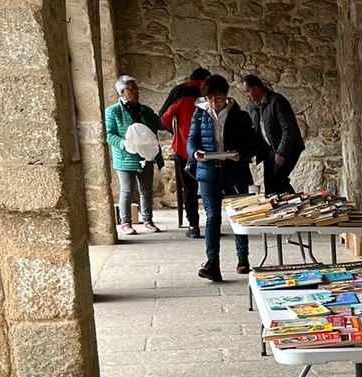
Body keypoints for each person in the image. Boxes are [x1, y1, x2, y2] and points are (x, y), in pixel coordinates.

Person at [188, 74, 265, 281]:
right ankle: (213, 263)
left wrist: (241, 154)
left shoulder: (239, 115)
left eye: (219, 98)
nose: (215, 103)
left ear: (226, 96)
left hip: (235, 170)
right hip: (208, 171)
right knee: (212, 217)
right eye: (211, 99)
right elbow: (191, 140)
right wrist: (195, 153)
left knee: (239, 215)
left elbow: (252, 143)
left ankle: (243, 259)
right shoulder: (200, 114)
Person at [104, 75, 164, 236]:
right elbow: (109, 134)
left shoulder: (145, 110)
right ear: (122, 92)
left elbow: (159, 123)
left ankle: (148, 220)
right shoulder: (113, 111)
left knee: (146, 190)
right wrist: (124, 144)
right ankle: (126, 222)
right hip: (125, 157)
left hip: (145, 155)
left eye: (137, 88)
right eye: (132, 89)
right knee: (127, 190)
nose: (137, 91)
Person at [159, 67, 209, 237]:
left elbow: (164, 117)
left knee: (189, 188)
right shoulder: (210, 90)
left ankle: (193, 226)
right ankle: (212, 223)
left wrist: (177, 132)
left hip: (184, 147)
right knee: (211, 186)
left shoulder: (180, 91)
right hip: (210, 147)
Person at [242, 74, 304, 194]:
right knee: (270, 186)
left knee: (278, 180)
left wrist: (282, 152)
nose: (247, 95)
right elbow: (255, 131)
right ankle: (280, 208)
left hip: (288, 148)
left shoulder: (277, 101)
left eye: (247, 91)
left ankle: (293, 206)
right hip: (269, 149)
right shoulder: (252, 107)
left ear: (256, 88)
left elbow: (289, 129)